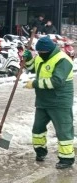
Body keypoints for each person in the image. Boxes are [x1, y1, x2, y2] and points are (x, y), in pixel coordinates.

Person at [23, 36, 74, 169]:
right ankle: (40, 152)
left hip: (59, 102)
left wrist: (34, 83)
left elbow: (56, 81)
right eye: (38, 52)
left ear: (49, 50)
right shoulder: (41, 56)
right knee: (37, 129)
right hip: (43, 101)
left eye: (42, 52)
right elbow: (33, 68)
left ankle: (66, 158)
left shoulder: (63, 60)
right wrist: (28, 58)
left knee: (63, 130)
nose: (40, 55)